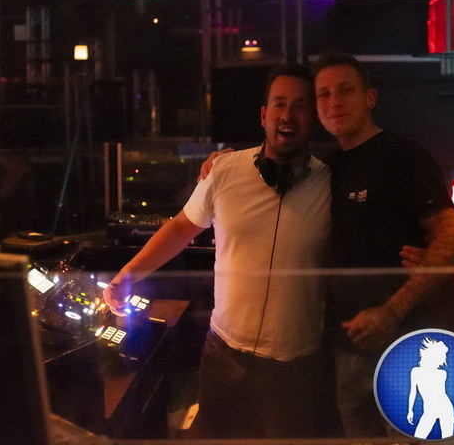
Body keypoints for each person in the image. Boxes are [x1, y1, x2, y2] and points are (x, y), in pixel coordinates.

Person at [104, 63, 331, 439]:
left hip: (296, 366)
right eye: (279, 104)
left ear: (314, 119)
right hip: (224, 355)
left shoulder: (330, 183)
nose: (288, 115)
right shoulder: (224, 171)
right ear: (264, 115)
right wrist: (128, 275)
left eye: (300, 106)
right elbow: (181, 228)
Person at [313, 50, 454, 436]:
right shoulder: (327, 168)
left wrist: (390, 312)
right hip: (348, 348)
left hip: (407, 347)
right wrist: (223, 161)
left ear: (370, 97)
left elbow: (453, 240)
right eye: (324, 94)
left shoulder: (401, 154)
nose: (334, 102)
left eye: (346, 90)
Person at [407, 337, 454, 439]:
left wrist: (451, 415)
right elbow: (413, 392)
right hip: (429, 410)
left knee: (448, 438)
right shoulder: (416, 371)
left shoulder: (442, 373)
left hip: (445, 408)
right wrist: (410, 410)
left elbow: (441, 393)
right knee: (419, 436)